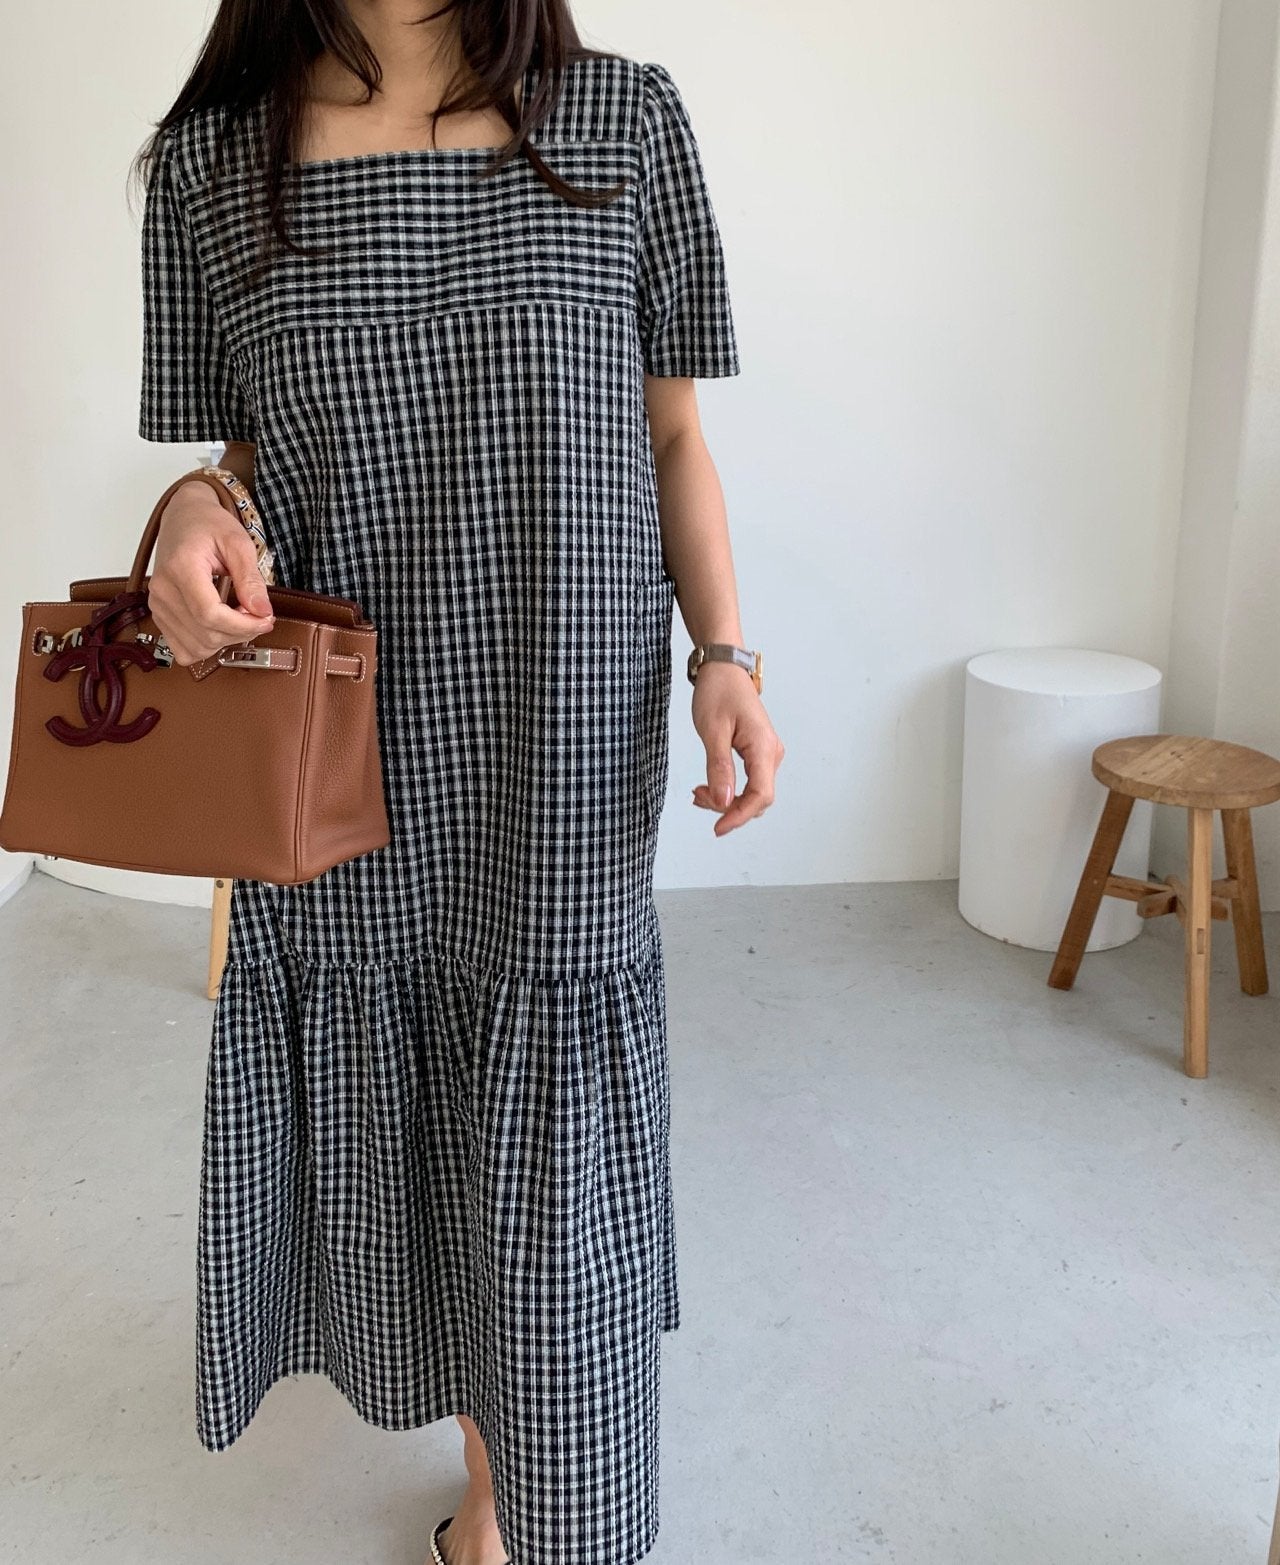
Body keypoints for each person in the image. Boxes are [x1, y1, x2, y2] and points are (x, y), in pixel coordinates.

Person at [134, 1, 784, 1562]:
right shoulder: (213, 163)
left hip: (560, 713)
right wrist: (186, 511)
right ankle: (493, 1474)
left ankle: (537, 1500)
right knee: (409, 1078)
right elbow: (242, 456)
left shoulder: (621, 122)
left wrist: (725, 656)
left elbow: (672, 433)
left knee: (537, 1091)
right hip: (330, 736)